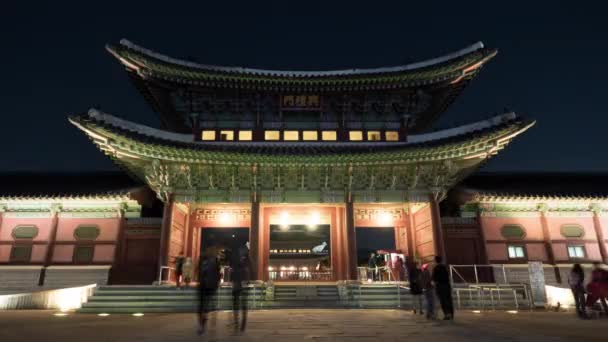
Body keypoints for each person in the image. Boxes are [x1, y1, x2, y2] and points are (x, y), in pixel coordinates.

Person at [197, 247, 220, 335]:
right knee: (203, 307)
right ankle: (203, 323)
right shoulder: (205, 261)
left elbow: (217, 274)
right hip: (206, 287)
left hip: (207, 287)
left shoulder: (209, 262)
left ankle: (202, 325)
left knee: (203, 307)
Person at [229, 243, 251, 334]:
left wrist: (232, 281)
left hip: (237, 284)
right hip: (242, 283)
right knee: (242, 305)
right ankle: (241, 322)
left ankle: (237, 324)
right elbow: (249, 269)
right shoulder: (246, 259)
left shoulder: (234, 261)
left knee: (236, 305)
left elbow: (232, 271)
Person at [432, 256, 454, 320]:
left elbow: (434, 278)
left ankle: (447, 314)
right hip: (447, 285)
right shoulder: (444, 267)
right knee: (448, 299)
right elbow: (448, 276)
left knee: (443, 300)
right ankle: (451, 313)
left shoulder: (436, 268)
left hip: (440, 286)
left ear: (436, 261)